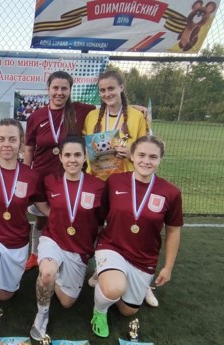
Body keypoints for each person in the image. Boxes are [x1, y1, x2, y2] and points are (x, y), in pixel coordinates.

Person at [90, 136, 182, 338]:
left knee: (128, 311)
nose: (146, 161)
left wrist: (168, 267)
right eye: (141, 155)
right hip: (112, 246)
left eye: (153, 157)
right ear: (132, 156)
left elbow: (174, 230)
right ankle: (99, 310)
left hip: (143, 257)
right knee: (114, 288)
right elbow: (100, 217)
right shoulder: (114, 182)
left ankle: (108, 278)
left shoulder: (171, 192)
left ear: (160, 159)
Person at [82, 70, 156, 306]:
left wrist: (131, 152)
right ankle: (102, 268)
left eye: (111, 88)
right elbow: (87, 146)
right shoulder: (92, 116)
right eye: (102, 90)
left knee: (130, 228)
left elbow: (147, 148)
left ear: (121, 88)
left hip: (126, 183)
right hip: (98, 181)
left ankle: (144, 282)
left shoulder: (136, 117)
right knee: (99, 227)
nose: (107, 93)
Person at [30, 135, 106, 340]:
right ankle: (42, 314)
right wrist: (51, 214)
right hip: (53, 239)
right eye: (68, 155)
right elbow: (38, 199)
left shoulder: (98, 186)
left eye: (77, 155)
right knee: (47, 273)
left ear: (85, 157)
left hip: (79, 248)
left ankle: (56, 273)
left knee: (66, 302)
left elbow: (101, 221)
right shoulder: (50, 181)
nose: (72, 160)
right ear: (61, 157)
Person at [0, 118, 47, 306]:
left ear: (21, 142)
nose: (6, 144)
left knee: (5, 295)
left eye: (12, 139)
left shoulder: (31, 176)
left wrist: (71, 220)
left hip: (15, 240)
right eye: (1, 139)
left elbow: (45, 208)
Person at [24, 71, 96, 271]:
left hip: (70, 179)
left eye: (64, 88)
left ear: (70, 90)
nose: (59, 92)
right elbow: (29, 148)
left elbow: (109, 106)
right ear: (48, 89)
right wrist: (26, 174)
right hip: (42, 178)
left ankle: (71, 252)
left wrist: (132, 108)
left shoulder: (81, 110)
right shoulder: (36, 116)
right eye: (55, 87)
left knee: (71, 217)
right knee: (42, 219)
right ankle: (35, 253)